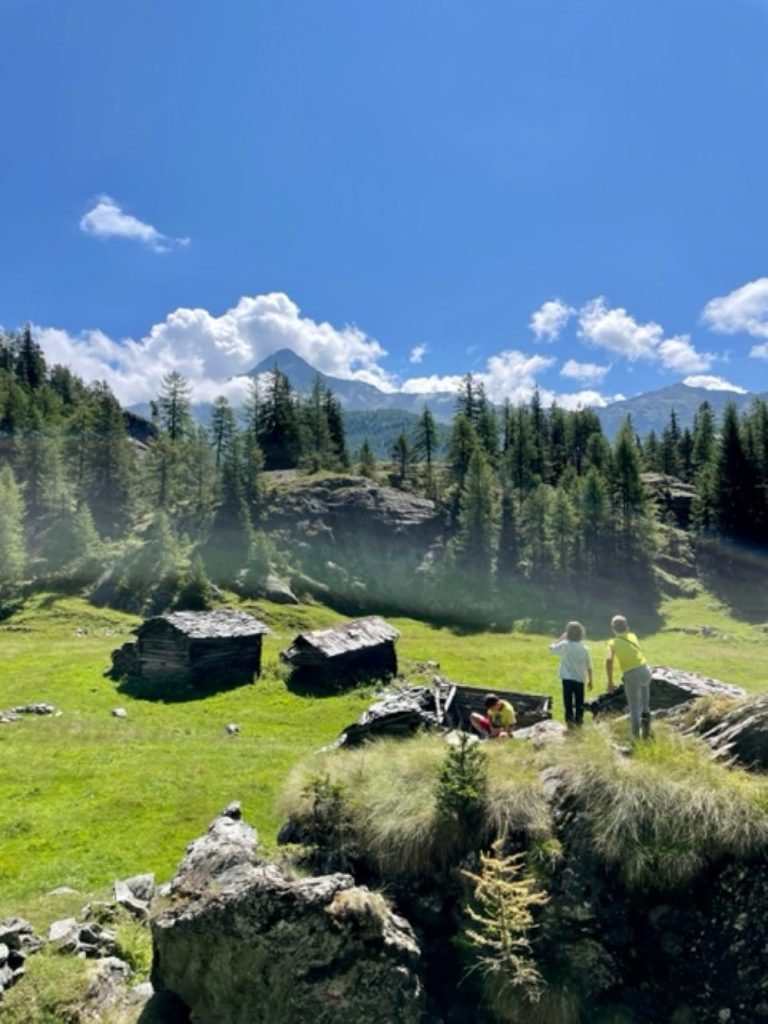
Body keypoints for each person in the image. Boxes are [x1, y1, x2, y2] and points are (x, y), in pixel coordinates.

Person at [605, 614, 652, 739]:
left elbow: (609, 660)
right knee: (645, 705)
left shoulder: (612, 642)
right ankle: (647, 731)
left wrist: (610, 682)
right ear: (627, 626)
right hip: (645, 670)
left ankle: (635, 739)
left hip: (631, 674)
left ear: (612, 628)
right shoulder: (633, 636)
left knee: (634, 708)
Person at [549, 621, 593, 727]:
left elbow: (551, 649)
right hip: (580, 678)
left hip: (567, 678)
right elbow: (588, 666)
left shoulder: (565, 645)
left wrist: (561, 638)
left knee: (568, 702)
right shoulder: (584, 649)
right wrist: (590, 680)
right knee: (579, 702)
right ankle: (579, 722)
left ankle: (569, 723)